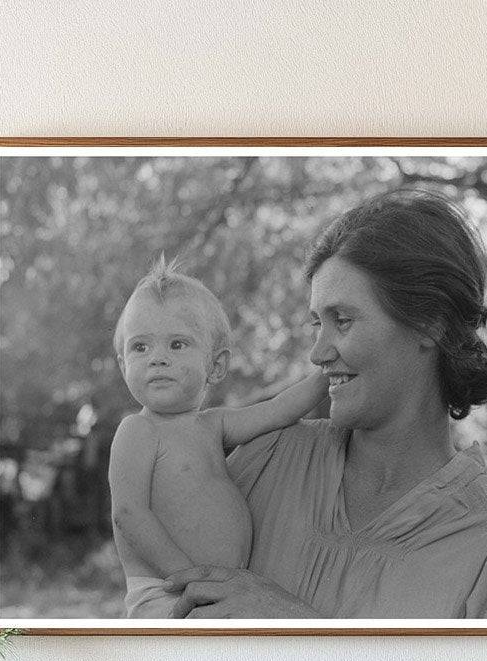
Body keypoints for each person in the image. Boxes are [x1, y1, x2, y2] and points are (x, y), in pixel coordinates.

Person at [166, 190, 487, 619]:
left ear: (429, 323)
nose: (318, 352)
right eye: (316, 323)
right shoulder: (267, 462)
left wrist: (299, 630)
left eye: (342, 320)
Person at [109, 255, 327, 618]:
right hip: (167, 596)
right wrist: (188, 579)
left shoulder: (213, 425)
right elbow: (129, 515)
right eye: (140, 347)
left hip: (214, 593)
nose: (156, 359)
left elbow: (279, 409)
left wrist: (324, 375)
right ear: (123, 364)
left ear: (216, 365)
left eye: (177, 344)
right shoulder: (138, 430)